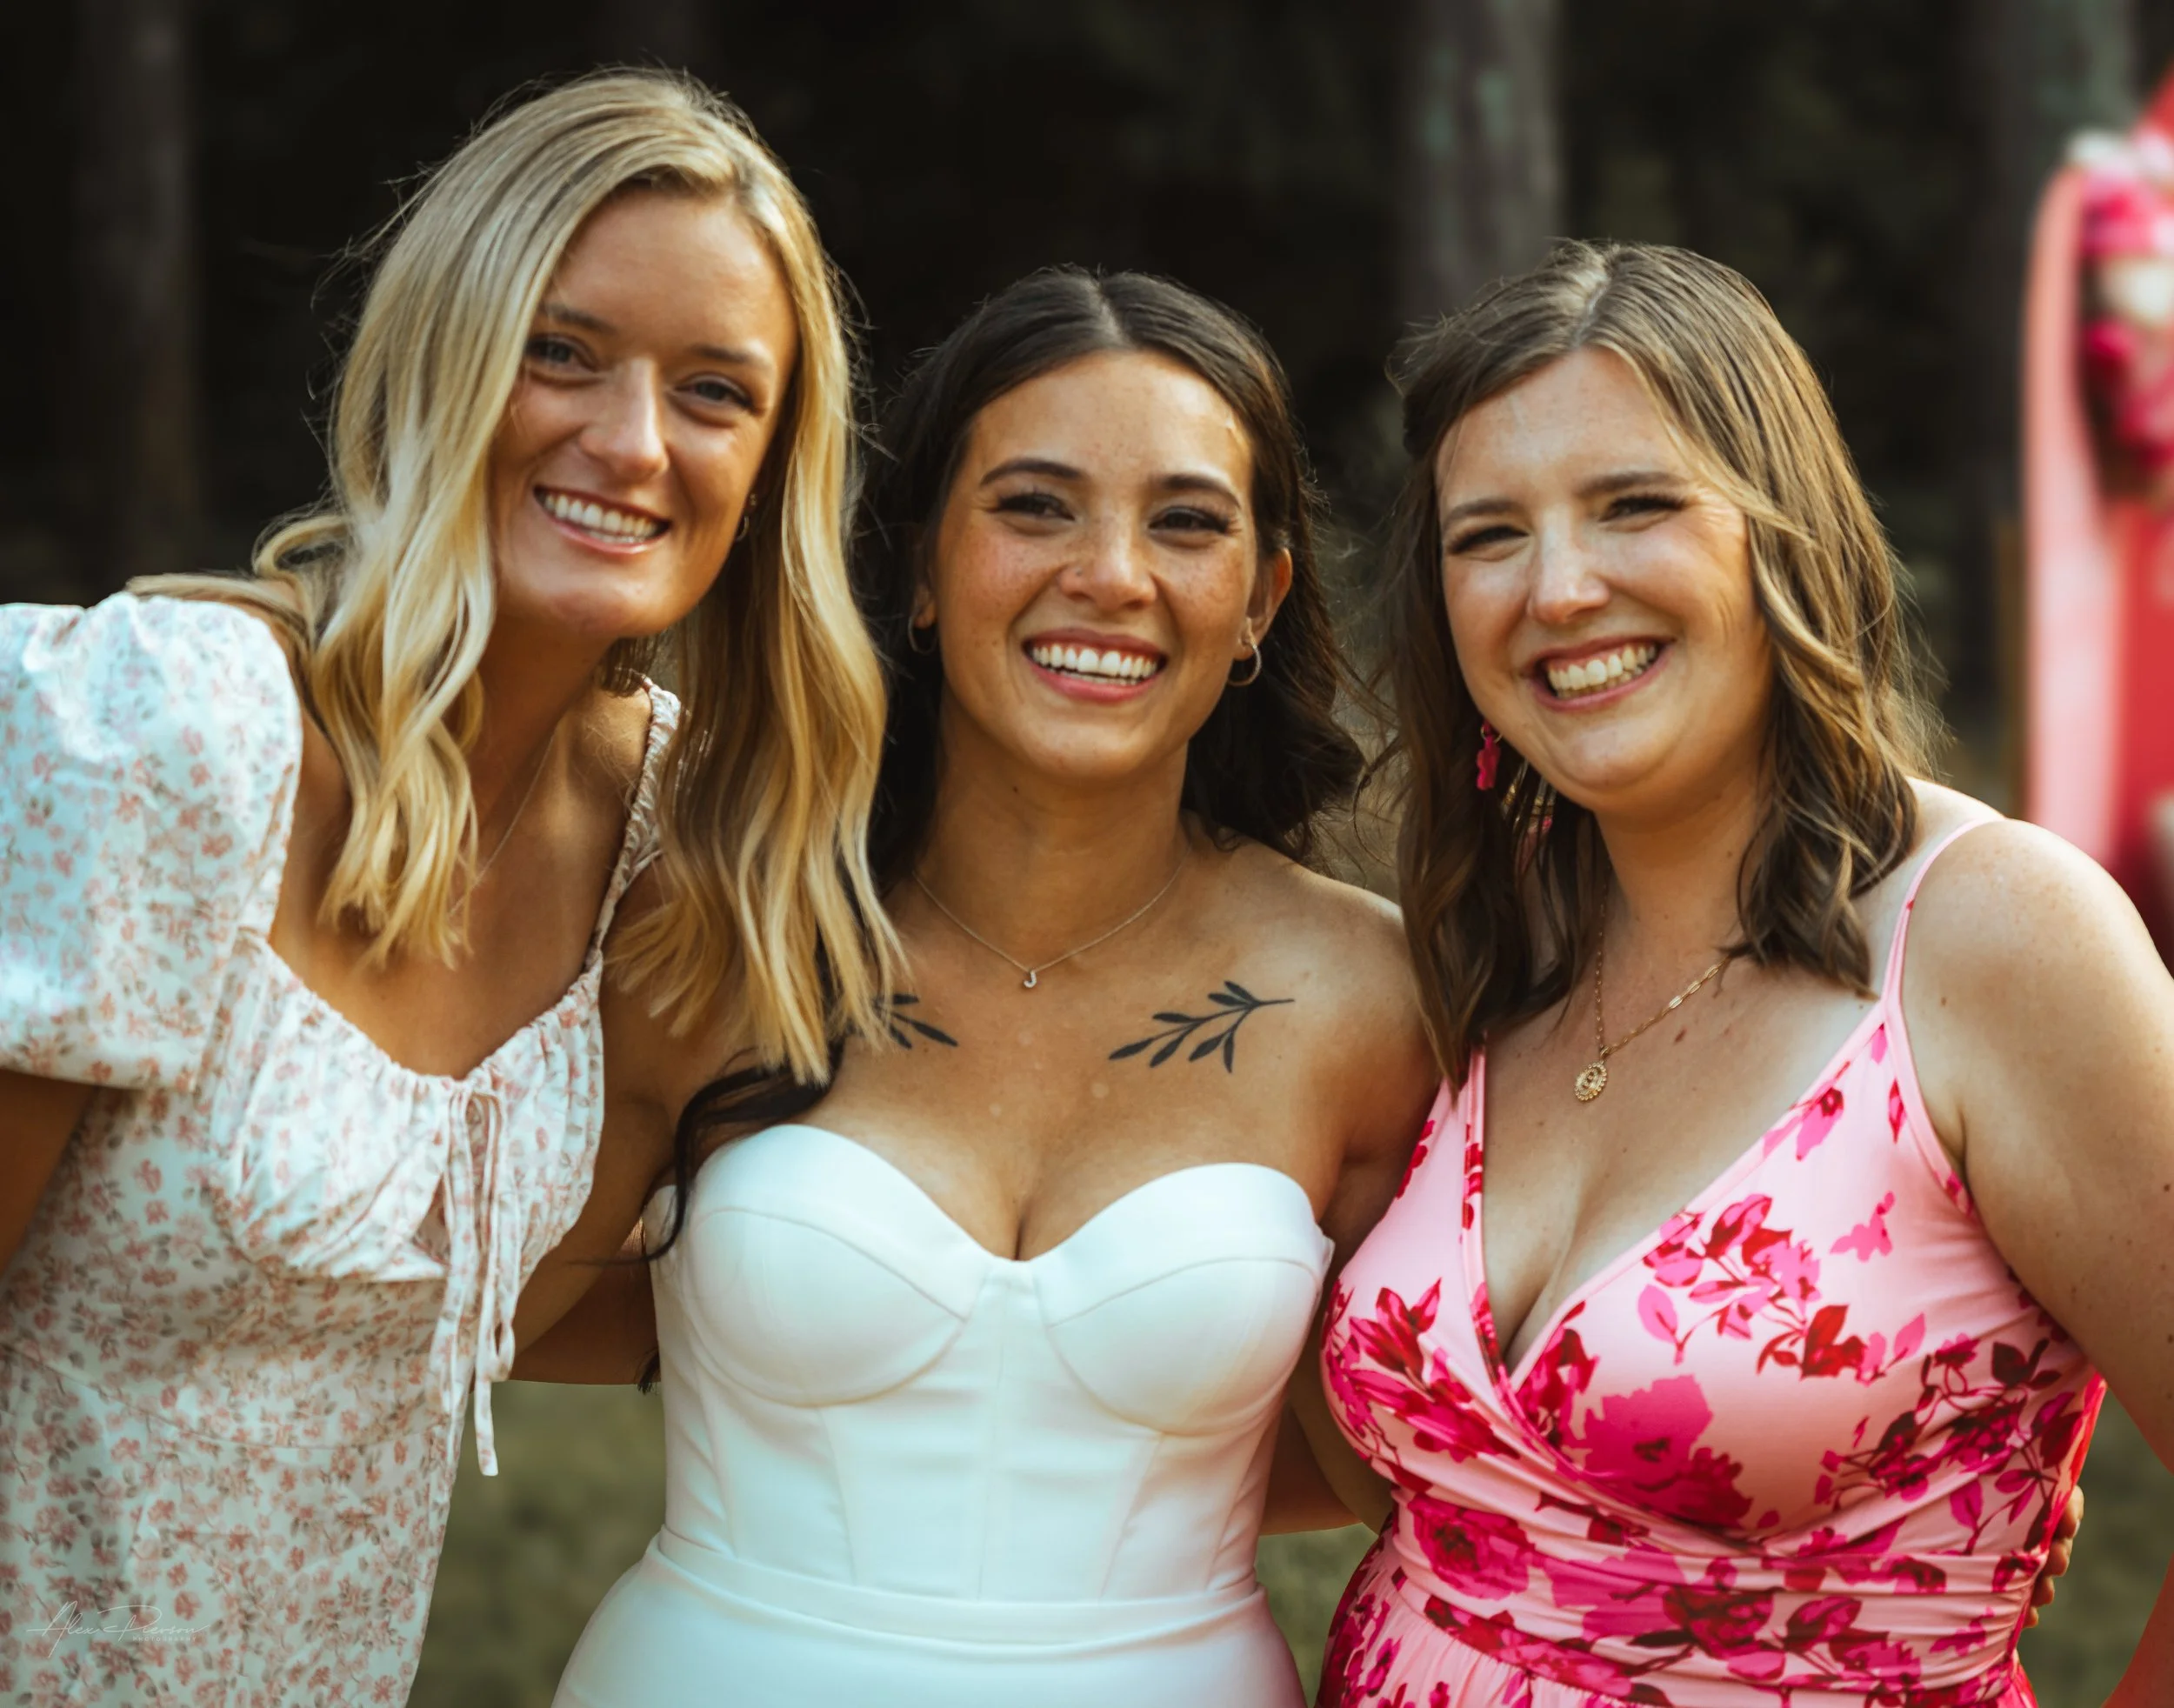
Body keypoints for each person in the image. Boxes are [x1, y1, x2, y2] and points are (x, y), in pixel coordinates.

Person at [0, 70, 892, 1705]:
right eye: (561, 350)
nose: (630, 443)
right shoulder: (178, 730)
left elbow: (547, 1310)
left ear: (772, 465)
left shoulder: (667, 835)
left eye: (713, 392)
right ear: (442, 355)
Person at [512, 267, 1438, 1707]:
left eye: (1185, 523)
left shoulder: (1370, 995)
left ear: (1257, 600)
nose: (1112, 576)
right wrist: (747, 1346)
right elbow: (495, 1312)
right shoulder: (734, 927)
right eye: (1034, 505)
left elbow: (1402, 1459)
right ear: (924, 568)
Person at [1307, 240, 2174, 1705]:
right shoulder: (1497, 946)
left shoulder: (1994, 942)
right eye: (1489, 535)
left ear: (1786, 535)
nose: (1559, 587)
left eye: (1633, 505)